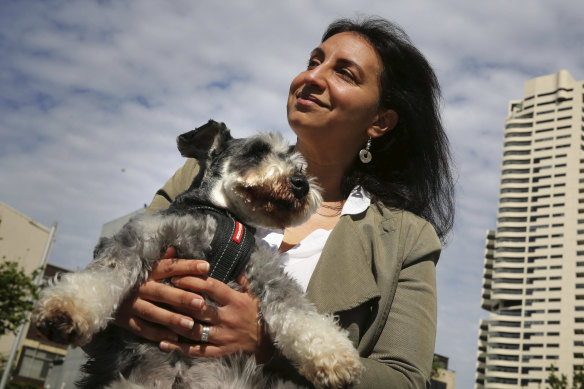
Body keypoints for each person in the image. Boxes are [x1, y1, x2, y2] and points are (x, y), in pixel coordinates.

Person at [115, 16, 455, 388]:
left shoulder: (407, 239)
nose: (312, 77)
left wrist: (269, 347)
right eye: (313, 61)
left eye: (345, 73)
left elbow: (405, 380)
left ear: (380, 122)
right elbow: (112, 267)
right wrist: (126, 302)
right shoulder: (207, 169)